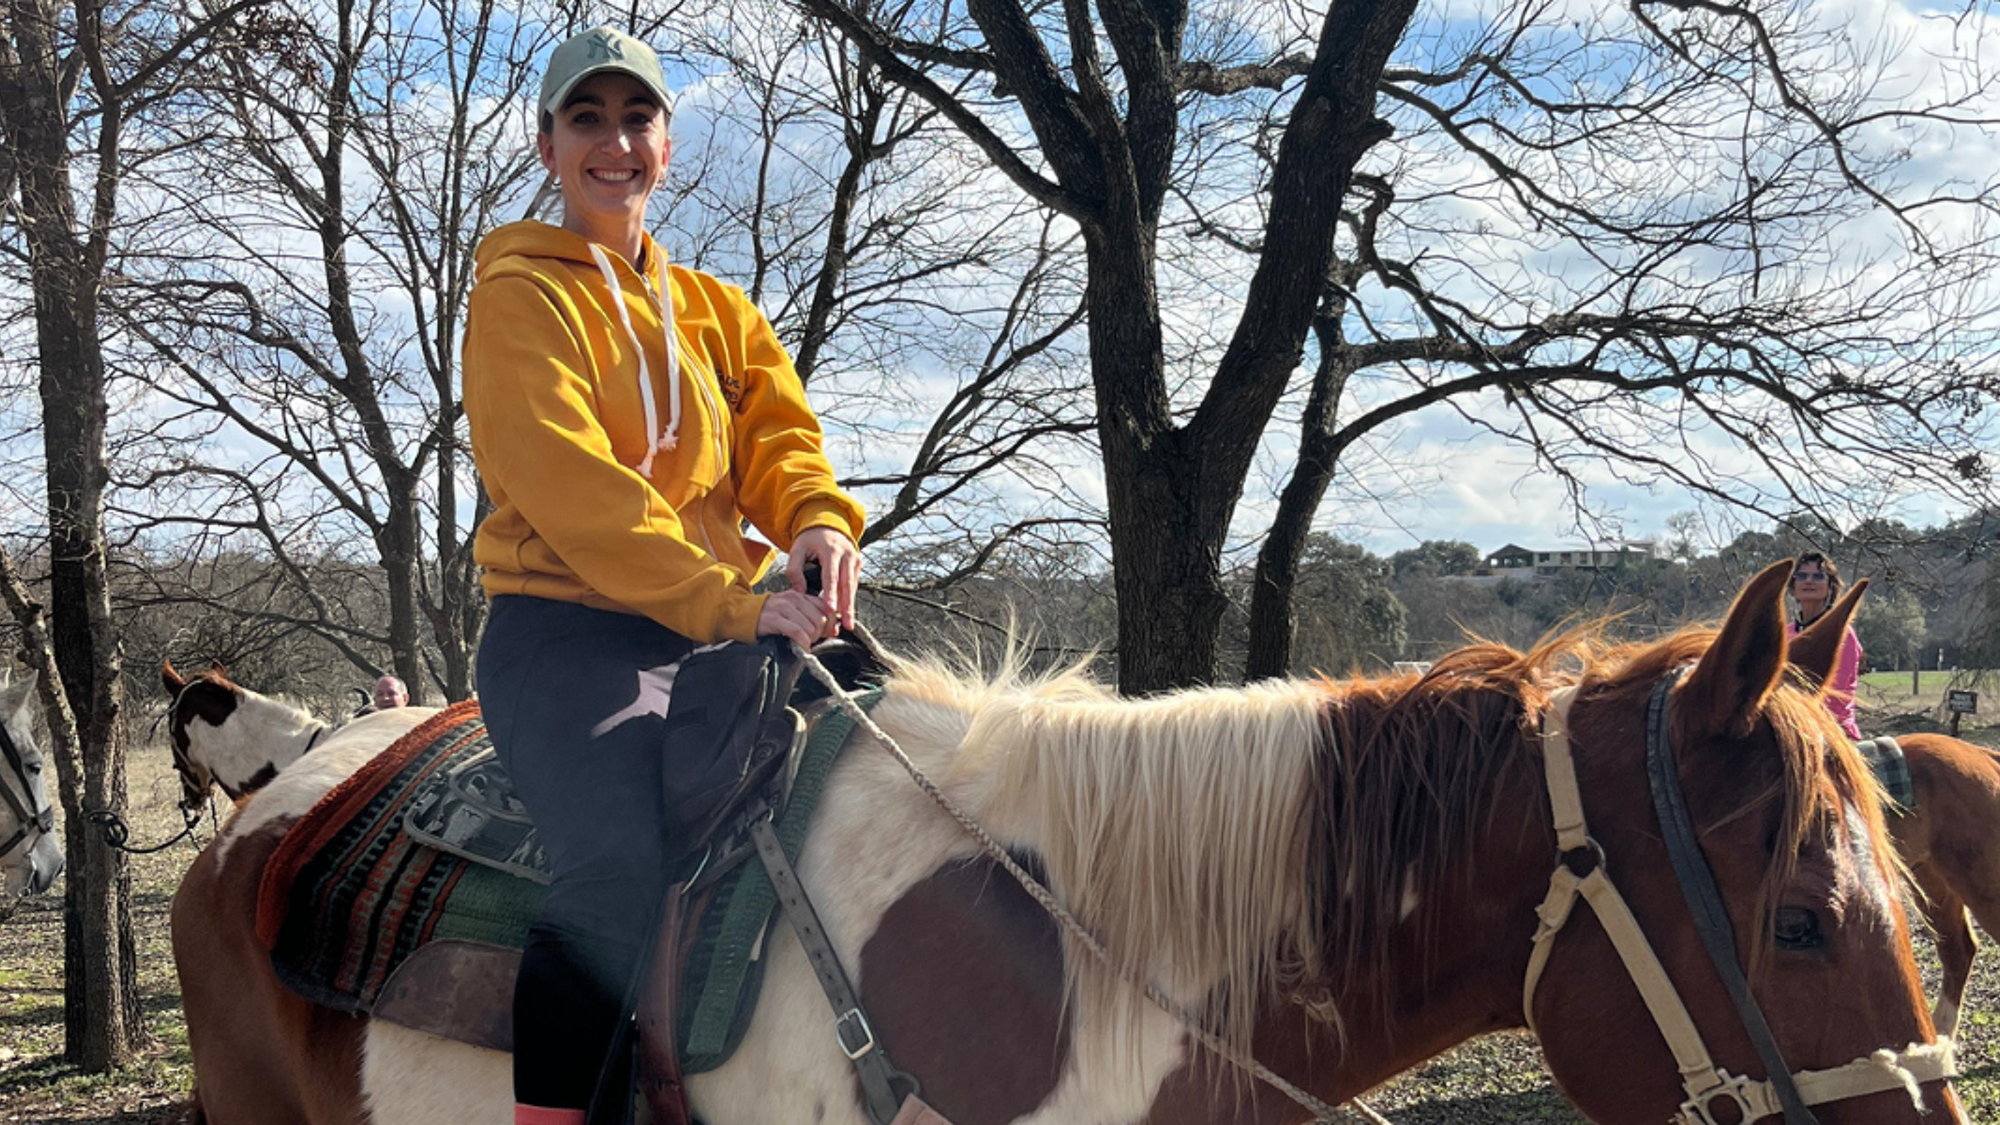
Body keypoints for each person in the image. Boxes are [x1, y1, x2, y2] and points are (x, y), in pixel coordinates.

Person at [461, 26, 864, 1125]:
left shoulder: (718, 312)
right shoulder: (517, 299)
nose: (613, 142)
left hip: (727, 624)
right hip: (569, 635)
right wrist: (734, 602)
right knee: (611, 876)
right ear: (548, 146)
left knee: (901, 763)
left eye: (635, 119)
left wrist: (819, 525)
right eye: (585, 119)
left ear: (667, 148)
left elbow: (781, 442)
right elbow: (578, 493)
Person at [1786, 552, 1864, 740]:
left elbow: (1835, 694)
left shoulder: (1842, 634)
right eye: (1802, 576)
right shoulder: (1785, 634)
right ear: (1793, 586)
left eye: (1818, 576)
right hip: (1793, 726)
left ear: (1830, 587)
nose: (1809, 581)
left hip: (1834, 732)